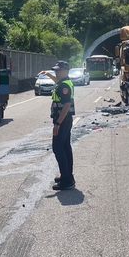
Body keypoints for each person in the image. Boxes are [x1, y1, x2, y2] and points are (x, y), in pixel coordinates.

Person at [40, 61, 76, 190]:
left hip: (63, 120)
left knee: (58, 148)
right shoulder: (64, 82)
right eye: (55, 70)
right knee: (65, 147)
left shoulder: (64, 86)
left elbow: (66, 106)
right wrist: (48, 74)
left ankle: (66, 180)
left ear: (66, 71)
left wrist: (58, 124)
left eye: (58, 71)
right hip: (65, 120)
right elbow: (57, 81)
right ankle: (67, 176)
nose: (57, 72)